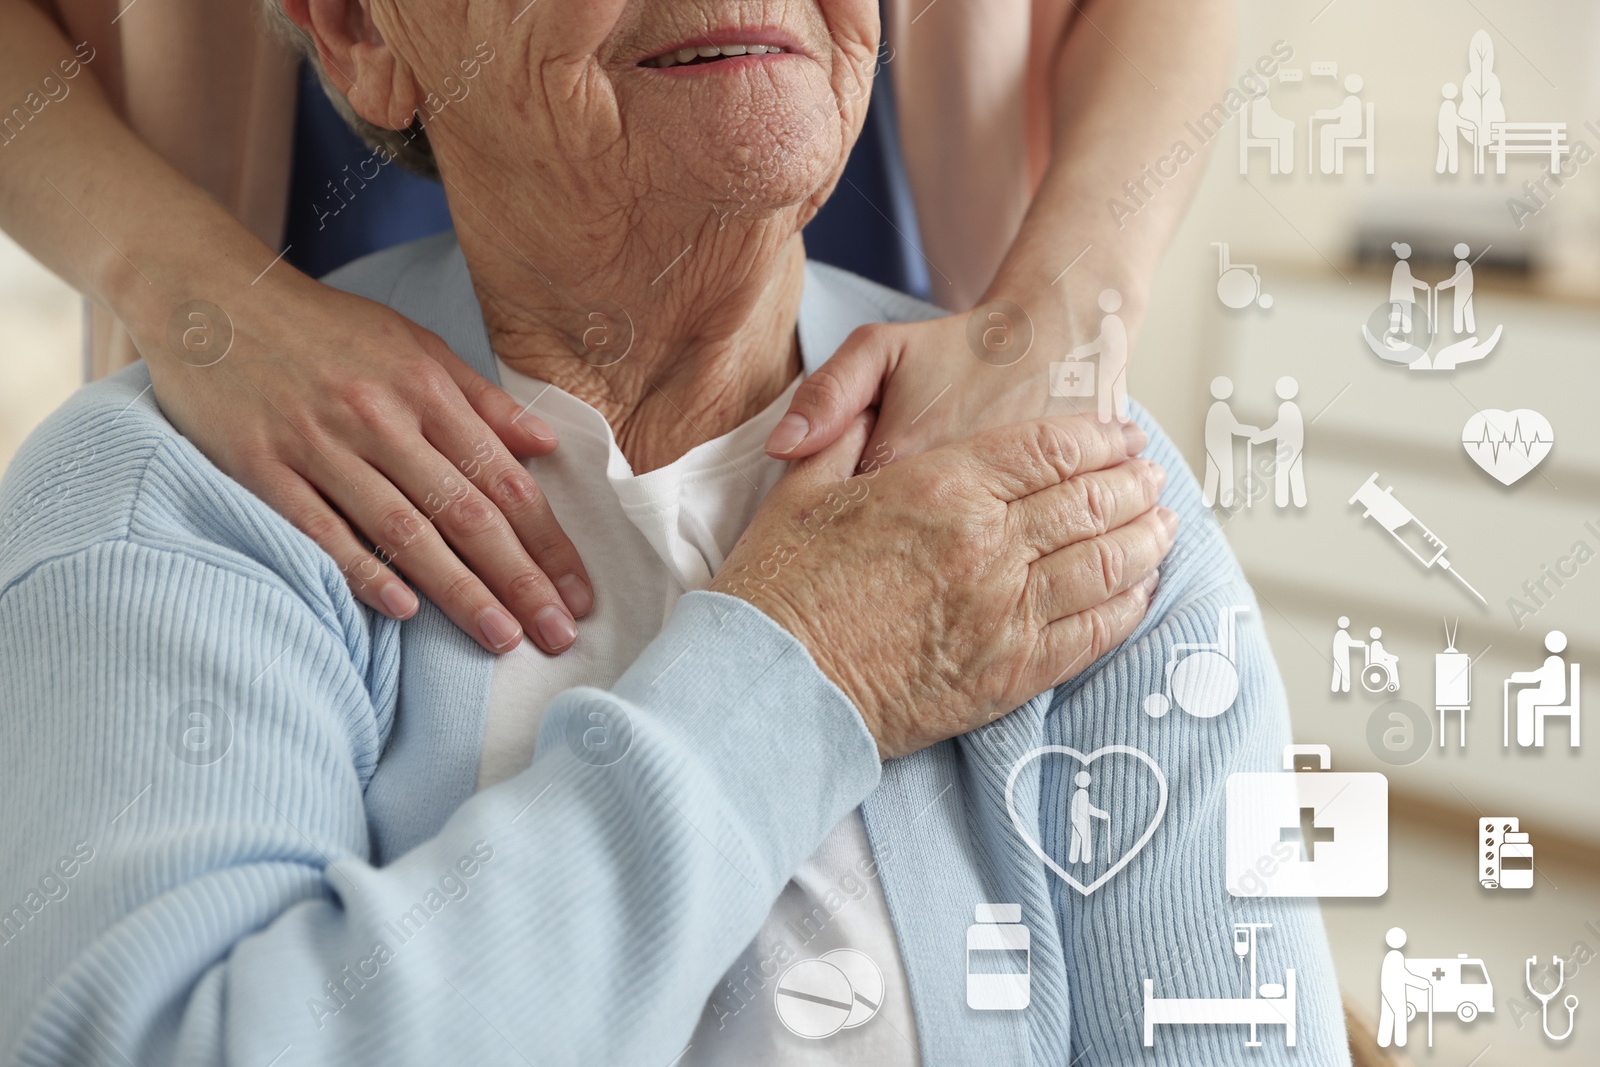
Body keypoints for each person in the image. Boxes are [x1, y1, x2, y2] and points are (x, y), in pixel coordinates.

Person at [0, 2, 1350, 1063]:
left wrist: (1057, 314)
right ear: (356, 29)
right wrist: (802, 660)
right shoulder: (165, 506)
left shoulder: (1067, 503)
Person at [2, 0, 1232, 656]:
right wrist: (198, 295)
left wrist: (1055, 315)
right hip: (288, 320)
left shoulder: (1101, 512)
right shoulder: (152, 528)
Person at [1065, 288, 1128, 424]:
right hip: (1113, 366)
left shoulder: (1110, 322)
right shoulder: (1114, 321)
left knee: (1108, 391)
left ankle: (1106, 421)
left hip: (1109, 365)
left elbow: (1101, 344)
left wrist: (1081, 351)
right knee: (1113, 391)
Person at [1201, 376, 1260, 509]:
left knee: (1213, 472)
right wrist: (1251, 431)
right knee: (1224, 472)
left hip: (1214, 447)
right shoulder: (1221, 409)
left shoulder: (1216, 408)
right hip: (1218, 448)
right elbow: (1234, 427)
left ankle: (1211, 500)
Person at [1251, 375, 1305, 509]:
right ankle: (1294, 499)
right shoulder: (1291, 408)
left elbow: (1278, 429)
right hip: (1290, 447)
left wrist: (1261, 437)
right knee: (1291, 473)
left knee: (1286, 474)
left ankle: (1287, 500)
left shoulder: (1287, 409)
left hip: (1288, 448)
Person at [1510, 630, 1570, 747]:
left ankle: (1525, 738)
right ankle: (1526, 736)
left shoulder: (1553, 661)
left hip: (1553, 696)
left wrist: (1518, 677)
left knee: (1524, 696)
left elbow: (1535, 677)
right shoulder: (1556, 661)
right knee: (1525, 695)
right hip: (1550, 693)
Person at [1377, 927, 1431, 1048]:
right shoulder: (1395, 956)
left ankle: (1384, 1041)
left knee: (1388, 1015)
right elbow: (1404, 975)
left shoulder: (1390, 957)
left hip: (1387, 990)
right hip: (1394, 992)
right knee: (1400, 1015)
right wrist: (1422, 983)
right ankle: (1399, 1042)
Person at [1313, 74, 1366, 174]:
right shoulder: (1354, 100)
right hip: (1350, 129)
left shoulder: (1351, 100)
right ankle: (1328, 165)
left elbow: (1336, 114)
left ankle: (1327, 166)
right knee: (1327, 129)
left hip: (1350, 130)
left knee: (1326, 130)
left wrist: (1321, 113)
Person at [1067, 771, 1112, 865]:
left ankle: (1077, 858)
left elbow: (1086, 808)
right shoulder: (1082, 793)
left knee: (1079, 840)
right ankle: (1082, 859)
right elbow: (1088, 809)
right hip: (1081, 822)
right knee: (1083, 840)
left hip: (1080, 821)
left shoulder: (1080, 793)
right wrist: (1102, 814)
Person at [1388, 242, 1429, 336]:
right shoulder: (1403, 265)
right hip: (1403, 295)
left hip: (1397, 295)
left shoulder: (1400, 265)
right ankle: (1404, 328)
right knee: (1405, 311)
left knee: (1397, 311)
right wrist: (1421, 284)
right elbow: (1409, 280)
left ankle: (1396, 328)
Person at [1435, 242, 1476, 335]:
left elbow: (1455, 279)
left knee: (1459, 309)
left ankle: (1459, 328)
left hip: (1462, 292)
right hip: (1466, 291)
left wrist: (1442, 285)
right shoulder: (1465, 265)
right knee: (1466, 309)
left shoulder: (1461, 265)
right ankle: (1468, 327)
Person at [1435, 83, 1472, 174]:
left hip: (1443, 131)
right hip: (1448, 132)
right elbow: (1455, 119)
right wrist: (1470, 125)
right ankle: (1452, 169)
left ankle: (1440, 169)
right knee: (1452, 150)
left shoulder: (1445, 104)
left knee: (1443, 149)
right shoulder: (1450, 104)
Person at [1331, 616, 1364, 693]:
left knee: (1337, 672)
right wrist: (1361, 643)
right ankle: (1345, 688)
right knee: (1345, 672)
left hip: (1337, 656)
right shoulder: (1342, 633)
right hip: (1342, 656)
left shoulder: (1339, 633)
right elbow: (1350, 643)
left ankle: (1335, 688)